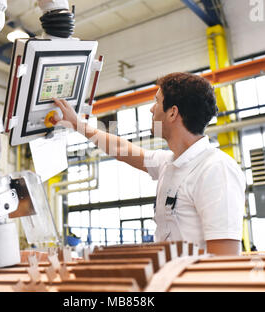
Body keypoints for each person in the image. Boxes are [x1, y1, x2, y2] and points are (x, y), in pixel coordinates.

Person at [51, 72, 246, 256]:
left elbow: (225, 258)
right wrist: (77, 125)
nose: (151, 109)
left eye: (157, 101)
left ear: (172, 113)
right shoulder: (170, 163)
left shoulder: (215, 169)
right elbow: (121, 150)